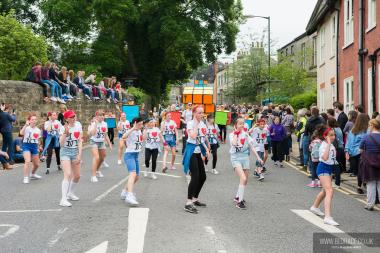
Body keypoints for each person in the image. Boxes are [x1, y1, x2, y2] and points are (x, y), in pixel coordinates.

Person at [230, 118, 263, 209]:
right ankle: (239, 202)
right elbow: (234, 143)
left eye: (243, 124)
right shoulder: (232, 135)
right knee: (243, 178)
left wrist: (258, 157)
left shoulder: (246, 134)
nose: (242, 125)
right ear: (236, 125)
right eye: (240, 124)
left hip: (245, 158)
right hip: (235, 157)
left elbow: (251, 147)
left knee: (245, 180)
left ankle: (237, 197)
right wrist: (236, 133)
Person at [182, 105, 210, 214]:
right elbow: (193, 136)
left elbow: (201, 138)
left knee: (203, 177)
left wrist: (206, 149)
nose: (201, 115)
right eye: (199, 112)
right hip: (191, 151)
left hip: (198, 151)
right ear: (194, 113)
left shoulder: (203, 123)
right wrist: (196, 124)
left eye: (202, 112)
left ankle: (195, 198)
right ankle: (188, 203)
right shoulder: (190, 123)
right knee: (195, 176)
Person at [310, 127, 340, 226]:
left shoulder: (330, 145)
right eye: (330, 135)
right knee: (329, 191)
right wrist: (328, 144)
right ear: (325, 136)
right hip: (323, 168)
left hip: (329, 168)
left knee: (324, 191)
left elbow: (332, 158)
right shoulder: (324, 145)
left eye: (334, 135)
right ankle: (327, 217)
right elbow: (325, 158)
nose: (333, 137)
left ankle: (314, 207)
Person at [59, 110, 83, 207]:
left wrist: (79, 154)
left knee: (77, 176)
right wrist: (65, 133)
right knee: (68, 174)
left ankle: (70, 193)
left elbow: (80, 140)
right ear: (67, 119)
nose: (73, 118)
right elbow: (60, 144)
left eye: (74, 116)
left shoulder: (78, 125)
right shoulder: (63, 128)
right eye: (71, 117)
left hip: (75, 152)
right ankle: (63, 199)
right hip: (65, 151)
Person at [121, 117, 145, 206]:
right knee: (133, 174)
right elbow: (123, 137)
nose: (141, 126)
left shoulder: (139, 131)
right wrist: (133, 128)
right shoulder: (131, 130)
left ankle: (125, 191)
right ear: (135, 123)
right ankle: (129, 195)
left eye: (142, 124)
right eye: (140, 124)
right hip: (129, 155)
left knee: (137, 177)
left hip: (135, 156)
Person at [359, 119, 380, 211]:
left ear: (372, 125)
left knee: (371, 184)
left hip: (369, 163)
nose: (368, 127)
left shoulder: (366, 137)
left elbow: (361, 150)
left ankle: (370, 204)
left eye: (369, 125)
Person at [345, 113, 369, 193]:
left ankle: (359, 186)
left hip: (354, 153)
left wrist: (347, 151)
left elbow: (349, 142)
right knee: (364, 170)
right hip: (363, 153)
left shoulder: (353, 130)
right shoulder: (367, 131)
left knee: (360, 171)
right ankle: (364, 184)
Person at [88, 110, 113, 182]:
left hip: (101, 142)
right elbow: (92, 134)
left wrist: (109, 143)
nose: (102, 116)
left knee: (102, 158)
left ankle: (97, 170)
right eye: (100, 115)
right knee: (96, 157)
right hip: (94, 141)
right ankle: (93, 176)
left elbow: (105, 135)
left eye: (103, 115)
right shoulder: (93, 124)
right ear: (96, 116)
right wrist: (95, 124)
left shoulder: (105, 124)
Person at [20, 113, 42, 184]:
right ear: (29, 121)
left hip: (34, 146)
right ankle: (26, 177)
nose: (34, 121)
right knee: (28, 160)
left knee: (37, 164)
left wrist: (39, 146)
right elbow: (21, 133)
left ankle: (32, 174)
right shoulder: (26, 128)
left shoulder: (38, 130)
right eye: (32, 119)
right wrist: (26, 125)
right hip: (26, 145)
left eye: (35, 119)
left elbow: (38, 140)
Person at [327, 118, 344, 188]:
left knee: (335, 165)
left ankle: (337, 183)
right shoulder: (339, 128)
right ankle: (337, 182)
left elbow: (333, 140)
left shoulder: (333, 130)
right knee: (337, 165)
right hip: (341, 147)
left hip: (336, 149)